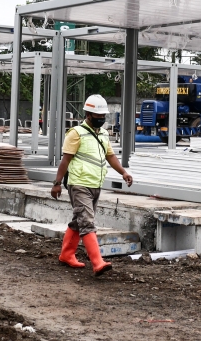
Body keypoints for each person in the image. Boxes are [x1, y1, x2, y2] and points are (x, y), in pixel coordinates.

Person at [51, 94, 133, 276]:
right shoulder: (76, 133)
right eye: (98, 117)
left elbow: (110, 156)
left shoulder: (103, 134)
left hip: (95, 184)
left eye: (103, 117)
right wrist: (57, 183)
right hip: (79, 184)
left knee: (79, 221)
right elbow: (65, 160)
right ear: (88, 115)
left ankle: (66, 255)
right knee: (87, 222)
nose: (102, 120)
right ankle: (97, 262)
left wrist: (123, 172)